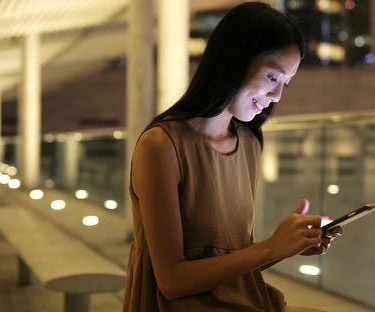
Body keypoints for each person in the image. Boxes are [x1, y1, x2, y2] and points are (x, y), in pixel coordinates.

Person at [123, 2, 343, 312]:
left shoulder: (249, 142)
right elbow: (172, 281)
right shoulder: (161, 146)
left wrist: (287, 246)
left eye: (285, 83)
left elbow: (225, 264)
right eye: (272, 78)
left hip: (232, 300)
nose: (277, 95)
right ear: (234, 61)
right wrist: (271, 247)